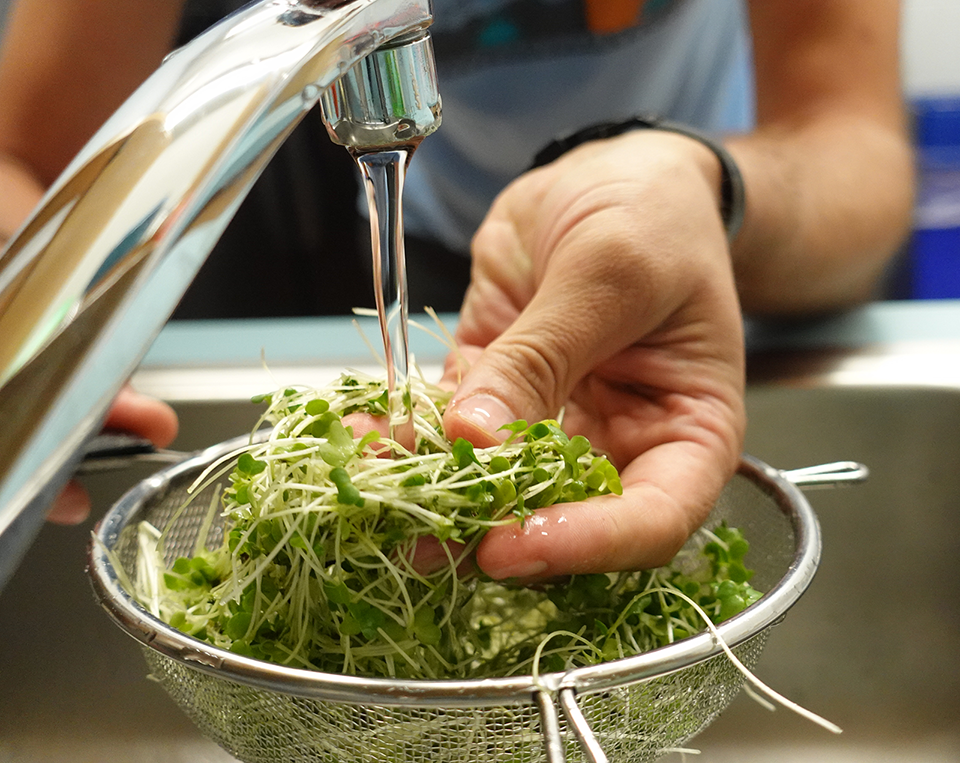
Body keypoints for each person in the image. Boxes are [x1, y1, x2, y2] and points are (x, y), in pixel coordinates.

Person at [0, 0, 913, 579]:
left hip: (699, 250)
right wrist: (28, 336)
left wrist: (707, 186)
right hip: (447, 268)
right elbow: (27, 165)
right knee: (414, 546)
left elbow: (856, 148)